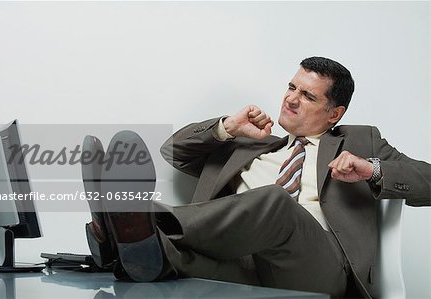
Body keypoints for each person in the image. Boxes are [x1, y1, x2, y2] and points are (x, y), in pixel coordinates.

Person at [84, 57, 431, 298]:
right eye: (291, 87)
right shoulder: (248, 145)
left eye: (307, 95)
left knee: (275, 200)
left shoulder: (360, 140)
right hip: (241, 267)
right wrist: (227, 128)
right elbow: (172, 152)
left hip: (316, 268)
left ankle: (127, 219)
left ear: (333, 114)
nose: (291, 99)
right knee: (158, 255)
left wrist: (373, 169)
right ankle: (124, 240)